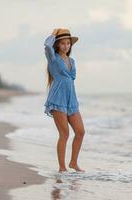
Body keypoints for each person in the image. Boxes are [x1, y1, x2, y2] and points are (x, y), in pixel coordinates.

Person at [43, 28, 85, 173]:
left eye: (68, 43)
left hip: (71, 99)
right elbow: (47, 45)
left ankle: (73, 162)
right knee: (64, 134)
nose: (66, 46)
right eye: (62, 43)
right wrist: (53, 35)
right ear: (58, 45)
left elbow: (70, 79)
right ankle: (62, 167)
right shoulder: (52, 57)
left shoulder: (72, 61)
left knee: (80, 132)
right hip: (58, 98)